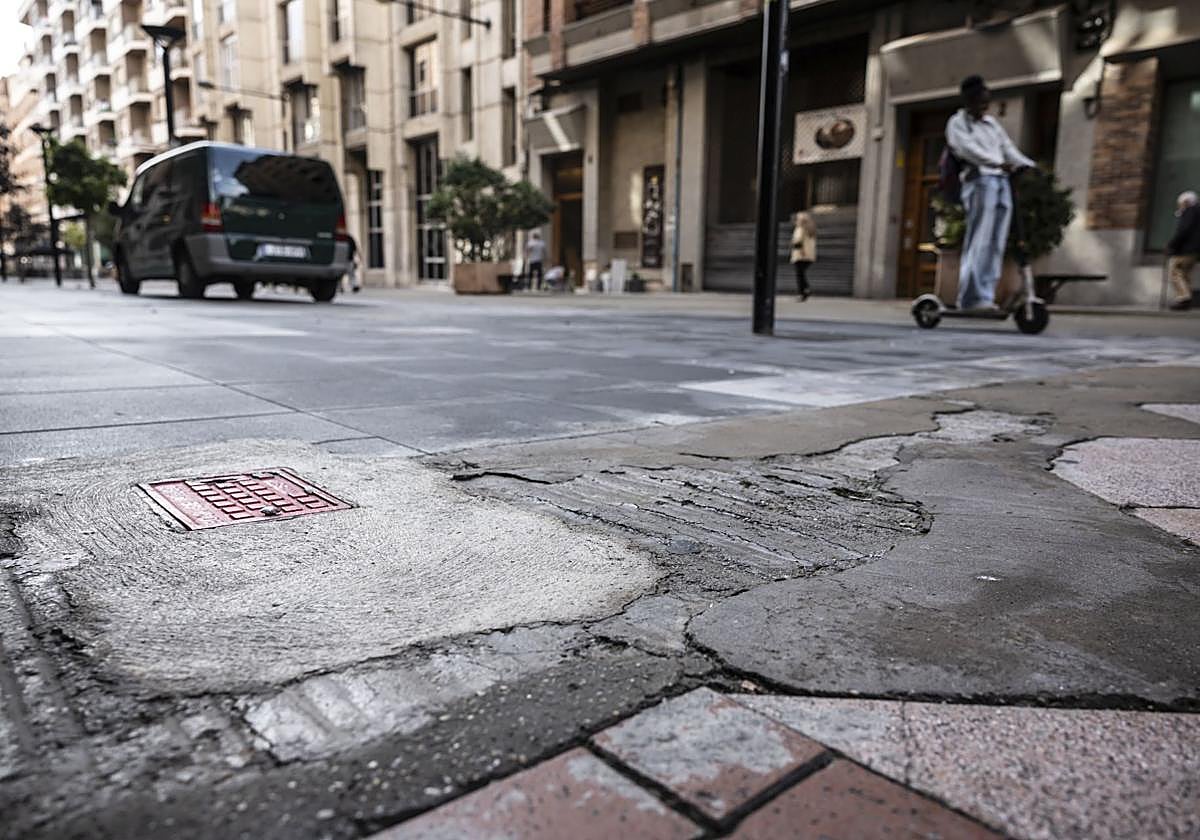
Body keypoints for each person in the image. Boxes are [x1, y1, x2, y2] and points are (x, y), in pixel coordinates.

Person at [945, 75, 1034, 311]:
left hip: (1002, 181)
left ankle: (985, 296)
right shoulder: (957, 123)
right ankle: (970, 298)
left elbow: (1007, 148)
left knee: (996, 242)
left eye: (987, 102)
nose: (985, 106)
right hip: (979, 181)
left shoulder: (992, 125)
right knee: (980, 239)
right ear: (968, 100)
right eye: (980, 102)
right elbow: (967, 149)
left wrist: (1027, 165)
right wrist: (997, 163)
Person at [1166, 190, 1198, 311]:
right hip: (1195, 250)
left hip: (1186, 249)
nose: (1179, 206)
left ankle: (1184, 298)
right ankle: (1185, 298)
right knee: (1184, 274)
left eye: (1180, 203)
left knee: (1175, 271)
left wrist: (1172, 245)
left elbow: (1183, 230)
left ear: (1186, 202)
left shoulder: (1190, 212)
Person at [790, 211, 817, 301]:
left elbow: (797, 241)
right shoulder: (811, 229)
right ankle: (805, 291)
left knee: (799, 274)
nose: (796, 220)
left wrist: (799, 250)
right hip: (809, 256)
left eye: (797, 218)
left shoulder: (800, 228)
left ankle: (802, 292)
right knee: (801, 273)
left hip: (800, 255)